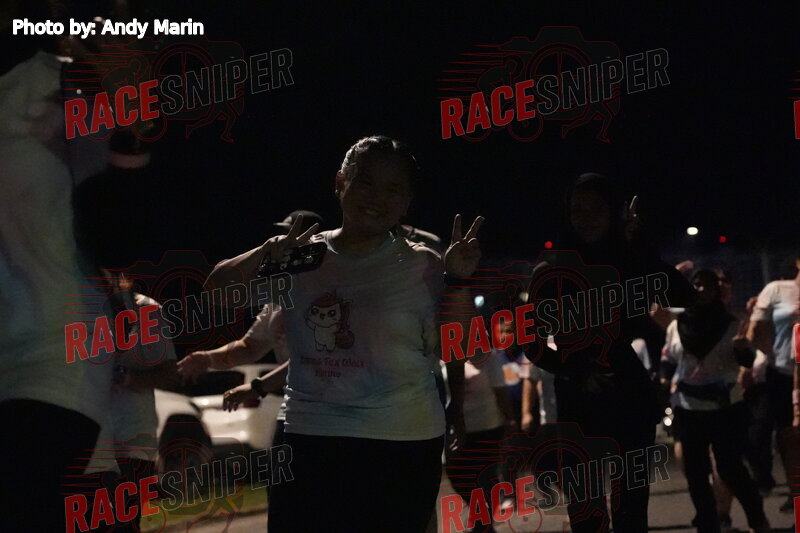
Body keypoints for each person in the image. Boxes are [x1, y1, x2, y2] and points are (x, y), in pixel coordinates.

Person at [204, 135, 483, 533]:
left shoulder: (423, 264)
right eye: (365, 182)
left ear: (406, 202)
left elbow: (458, 347)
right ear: (340, 183)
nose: (377, 198)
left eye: (393, 189)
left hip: (400, 441)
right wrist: (268, 251)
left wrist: (458, 281)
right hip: (310, 436)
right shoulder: (302, 257)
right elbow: (215, 294)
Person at [528, 172, 695, 533]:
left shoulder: (627, 260)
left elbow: (683, 294)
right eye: (578, 210)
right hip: (577, 397)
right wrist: (574, 370)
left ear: (614, 212)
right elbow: (530, 342)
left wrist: (638, 242)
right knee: (585, 509)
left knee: (631, 509)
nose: (586, 218)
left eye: (597, 209)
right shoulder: (552, 269)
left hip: (628, 392)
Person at [661, 269, 770, 533]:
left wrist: (743, 350)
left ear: (716, 291)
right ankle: (708, 525)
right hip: (688, 408)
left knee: (730, 469)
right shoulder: (678, 325)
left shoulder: (731, 325)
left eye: (708, 286)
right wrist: (663, 385)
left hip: (725, 408)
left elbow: (747, 361)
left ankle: (757, 519)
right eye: (696, 285)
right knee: (696, 475)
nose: (701, 290)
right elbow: (670, 360)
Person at [747, 250, 800, 512]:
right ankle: (791, 492)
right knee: (785, 437)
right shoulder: (777, 289)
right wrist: (765, 357)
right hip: (782, 374)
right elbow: (755, 329)